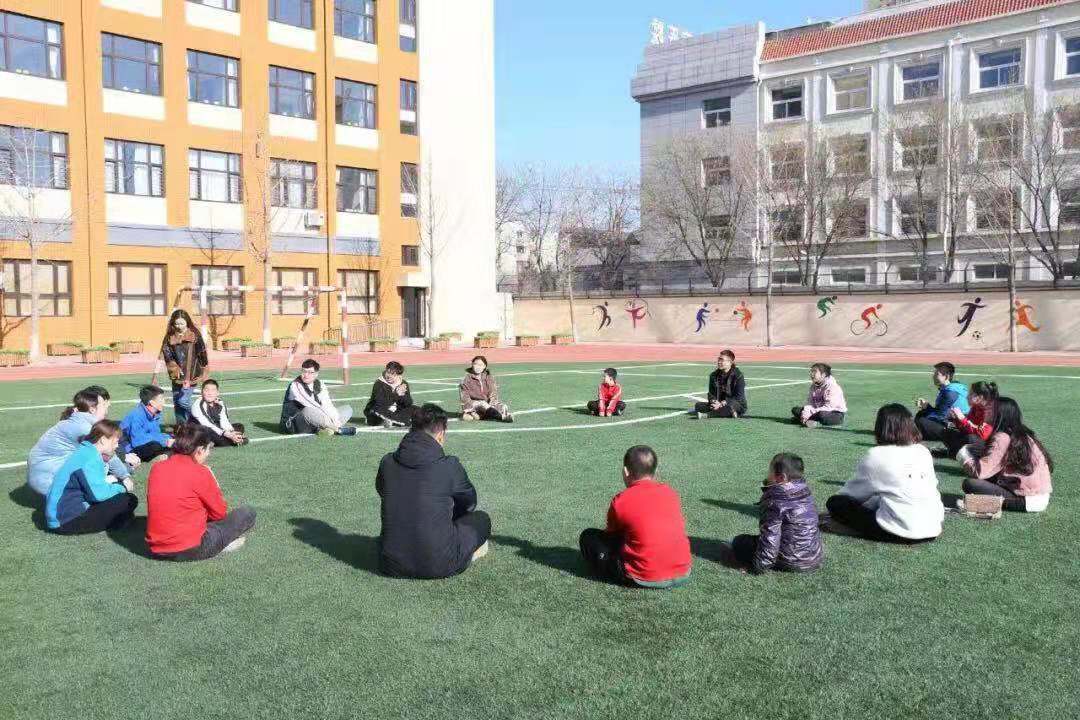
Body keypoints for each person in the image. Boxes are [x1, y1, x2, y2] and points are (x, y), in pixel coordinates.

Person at [376, 404, 491, 579]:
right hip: (439, 565)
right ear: (441, 434)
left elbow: (383, 491)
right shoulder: (449, 465)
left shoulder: (387, 462)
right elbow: (469, 503)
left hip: (390, 564)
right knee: (482, 519)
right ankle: (465, 553)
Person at [825, 404, 944, 543]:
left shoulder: (877, 455)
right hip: (933, 527)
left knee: (836, 503)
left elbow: (851, 495)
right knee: (882, 496)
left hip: (900, 531)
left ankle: (851, 527)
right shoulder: (923, 451)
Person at [579, 445, 691, 588]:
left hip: (643, 577)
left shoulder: (621, 500)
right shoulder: (671, 493)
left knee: (588, 537)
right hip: (683, 572)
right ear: (656, 471)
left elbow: (611, 535)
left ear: (625, 471)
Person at [146, 424, 257, 560]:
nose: (208, 454)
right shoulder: (200, 472)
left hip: (155, 549)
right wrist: (213, 480)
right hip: (191, 548)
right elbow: (219, 514)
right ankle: (224, 543)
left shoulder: (157, 468)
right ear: (199, 450)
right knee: (247, 513)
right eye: (208, 449)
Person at [27, 387, 138, 496]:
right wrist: (125, 476)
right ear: (92, 409)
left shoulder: (76, 420)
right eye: (104, 405)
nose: (107, 408)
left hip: (42, 477)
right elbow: (108, 455)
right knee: (112, 484)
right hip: (50, 482)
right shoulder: (85, 428)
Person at [729, 453, 823, 574]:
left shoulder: (775, 501)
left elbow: (770, 538)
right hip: (814, 558)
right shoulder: (805, 491)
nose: (767, 474)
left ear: (781, 477)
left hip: (791, 561)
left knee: (739, 541)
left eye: (770, 471)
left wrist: (758, 567)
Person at [44, 420, 138, 535]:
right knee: (129, 500)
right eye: (115, 442)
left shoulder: (85, 451)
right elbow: (98, 495)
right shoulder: (90, 459)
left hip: (60, 515)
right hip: (66, 520)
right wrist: (123, 487)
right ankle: (115, 524)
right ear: (103, 440)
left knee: (117, 492)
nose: (117, 446)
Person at [960, 397, 1053, 513]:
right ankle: (982, 502)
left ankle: (982, 503)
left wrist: (963, 455)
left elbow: (979, 472)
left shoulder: (1002, 438)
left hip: (1025, 500)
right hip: (1040, 496)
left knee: (970, 484)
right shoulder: (1022, 433)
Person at [280, 359, 356, 435]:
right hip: (294, 423)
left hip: (316, 418)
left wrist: (334, 418)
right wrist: (330, 419)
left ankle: (324, 428)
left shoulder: (320, 384)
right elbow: (309, 403)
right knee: (308, 410)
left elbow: (327, 403)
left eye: (310, 372)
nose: (306, 375)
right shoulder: (295, 385)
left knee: (347, 409)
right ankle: (338, 429)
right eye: (304, 371)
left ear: (316, 374)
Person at [161, 309, 208, 424]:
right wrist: (174, 368)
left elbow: (202, 351)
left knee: (183, 401)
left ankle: (200, 418)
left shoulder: (194, 334)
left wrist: (204, 368)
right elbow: (167, 354)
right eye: (176, 323)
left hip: (192, 374)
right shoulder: (169, 337)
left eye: (182, 323)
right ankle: (182, 428)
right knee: (177, 404)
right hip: (176, 375)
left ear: (187, 322)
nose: (179, 326)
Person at [914, 361, 969, 443]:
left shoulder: (950, 392)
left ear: (946, 376)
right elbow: (941, 412)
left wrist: (927, 408)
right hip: (959, 424)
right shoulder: (955, 388)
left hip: (957, 429)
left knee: (921, 420)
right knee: (922, 415)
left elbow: (941, 417)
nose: (933, 376)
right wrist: (927, 406)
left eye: (936, 374)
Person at [941, 380, 997, 459]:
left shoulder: (989, 411)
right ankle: (953, 452)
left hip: (986, 444)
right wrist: (956, 419)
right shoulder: (975, 407)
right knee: (947, 432)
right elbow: (966, 427)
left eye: (970, 394)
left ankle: (954, 453)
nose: (967, 397)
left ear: (980, 397)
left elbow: (983, 435)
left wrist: (962, 419)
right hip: (976, 439)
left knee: (970, 438)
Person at [119, 385, 174, 462]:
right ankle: (158, 458)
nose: (164, 401)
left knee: (177, 442)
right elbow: (137, 441)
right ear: (152, 403)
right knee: (155, 446)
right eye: (161, 399)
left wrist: (169, 438)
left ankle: (164, 455)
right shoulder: (137, 416)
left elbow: (155, 434)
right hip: (129, 449)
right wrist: (165, 441)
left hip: (144, 445)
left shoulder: (154, 414)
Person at [190, 379, 248, 447]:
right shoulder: (197, 405)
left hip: (215, 427)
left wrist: (231, 432)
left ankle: (231, 439)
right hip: (200, 431)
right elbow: (208, 424)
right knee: (208, 431)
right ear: (202, 392)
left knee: (239, 426)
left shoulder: (220, 403)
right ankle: (233, 440)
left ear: (217, 393)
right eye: (206, 390)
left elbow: (224, 420)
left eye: (213, 390)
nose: (210, 393)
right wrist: (227, 434)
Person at [693, 350, 746, 419]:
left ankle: (707, 415)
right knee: (698, 405)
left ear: (730, 362)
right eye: (719, 359)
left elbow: (739, 397)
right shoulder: (713, 375)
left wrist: (723, 403)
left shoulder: (738, 376)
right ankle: (730, 413)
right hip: (718, 403)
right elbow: (711, 394)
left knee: (730, 406)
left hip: (734, 404)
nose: (719, 362)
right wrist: (714, 401)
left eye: (722, 360)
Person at [791, 363, 847, 428]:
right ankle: (808, 420)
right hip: (817, 410)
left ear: (823, 375)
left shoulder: (832, 387)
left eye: (814, 372)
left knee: (822, 415)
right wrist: (806, 412)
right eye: (811, 371)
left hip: (834, 413)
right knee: (796, 410)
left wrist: (811, 412)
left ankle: (813, 422)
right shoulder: (814, 385)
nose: (811, 374)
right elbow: (810, 402)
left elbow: (829, 407)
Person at [364, 361, 418, 428]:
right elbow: (381, 403)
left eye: (393, 374)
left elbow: (408, 403)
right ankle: (402, 422)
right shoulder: (379, 383)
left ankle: (393, 421)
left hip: (395, 412)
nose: (389, 376)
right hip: (380, 410)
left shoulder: (403, 384)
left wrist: (402, 395)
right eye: (388, 372)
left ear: (398, 375)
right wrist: (396, 394)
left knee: (415, 409)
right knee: (377, 409)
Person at [459, 356, 513, 422]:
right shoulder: (465, 380)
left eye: (480, 365)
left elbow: (493, 395)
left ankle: (484, 414)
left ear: (484, 366)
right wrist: (471, 407)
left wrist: (492, 405)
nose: (478, 367)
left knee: (503, 406)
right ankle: (501, 417)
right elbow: (465, 399)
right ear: (472, 365)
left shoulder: (489, 378)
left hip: (488, 405)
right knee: (471, 415)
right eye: (475, 364)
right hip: (474, 405)